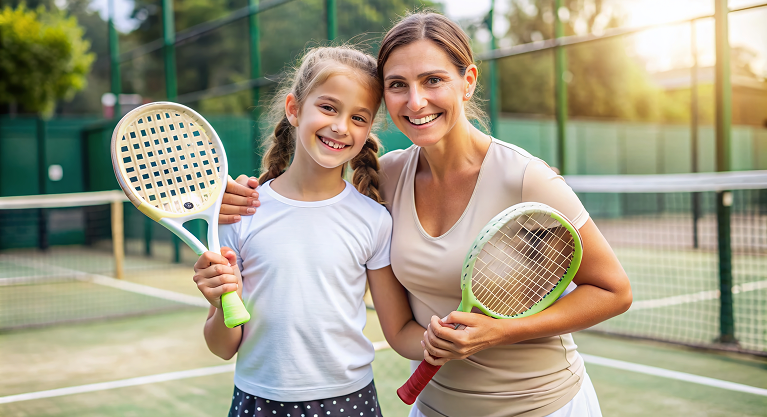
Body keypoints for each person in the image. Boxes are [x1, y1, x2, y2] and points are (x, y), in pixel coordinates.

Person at [222, 12, 632, 417]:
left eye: (433, 80)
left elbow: (614, 291)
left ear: (467, 82)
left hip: (544, 407)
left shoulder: (526, 178)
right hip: (433, 408)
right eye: (398, 85)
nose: (416, 101)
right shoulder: (387, 176)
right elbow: (311, 192)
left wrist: (500, 332)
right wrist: (238, 196)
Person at [193, 45, 423, 417]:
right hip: (256, 401)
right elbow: (222, 346)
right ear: (294, 109)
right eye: (328, 107)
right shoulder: (239, 214)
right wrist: (221, 303)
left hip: (351, 402)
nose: (340, 126)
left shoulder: (374, 220)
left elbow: (399, 331)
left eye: (359, 118)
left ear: (369, 130)